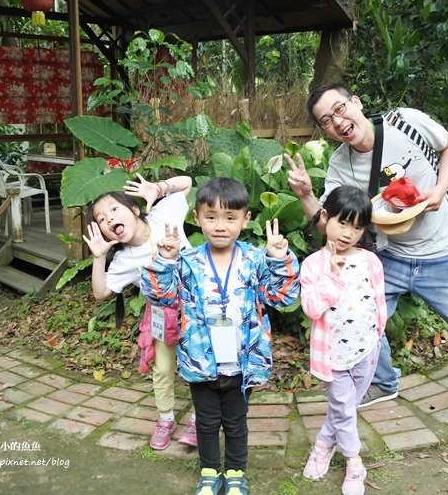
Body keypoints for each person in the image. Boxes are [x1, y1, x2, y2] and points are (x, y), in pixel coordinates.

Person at [285, 81, 448, 410]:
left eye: (339, 108)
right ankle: (384, 382)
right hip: (388, 256)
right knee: (363, 318)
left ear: (356, 102)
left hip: (440, 250)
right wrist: (306, 195)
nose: (337, 121)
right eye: (325, 120)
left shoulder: (405, 122)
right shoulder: (339, 166)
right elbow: (328, 225)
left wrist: (440, 189)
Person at [140, 177, 300, 495]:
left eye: (230, 217)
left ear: (245, 219)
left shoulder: (255, 260)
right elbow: (160, 296)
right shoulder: (187, 262)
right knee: (207, 424)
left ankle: (237, 474)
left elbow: (281, 297)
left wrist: (279, 259)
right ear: (197, 218)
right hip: (200, 364)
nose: (220, 226)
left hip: (242, 366)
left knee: (237, 424)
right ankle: (210, 473)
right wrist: (165, 260)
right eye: (211, 217)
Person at [83, 174, 198, 451]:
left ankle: (199, 419)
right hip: (161, 314)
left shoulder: (161, 214)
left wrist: (158, 188)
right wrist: (99, 258)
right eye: (101, 219)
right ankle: (166, 418)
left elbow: (187, 182)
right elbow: (101, 292)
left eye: (113, 209)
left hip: (197, 307)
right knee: (163, 368)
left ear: (134, 210)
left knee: (200, 363)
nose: (109, 219)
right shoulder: (122, 260)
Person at [300, 186, 388, 495]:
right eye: (342, 222)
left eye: (357, 226)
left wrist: (378, 334)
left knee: (345, 408)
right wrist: (333, 278)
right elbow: (311, 308)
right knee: (343, 406)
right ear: (325, 217)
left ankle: (324, 442)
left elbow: (379, 301)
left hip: (366, 351)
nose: (348, 233)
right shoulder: (313, 265)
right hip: (333, 356)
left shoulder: (369, 261)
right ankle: (354, 463)